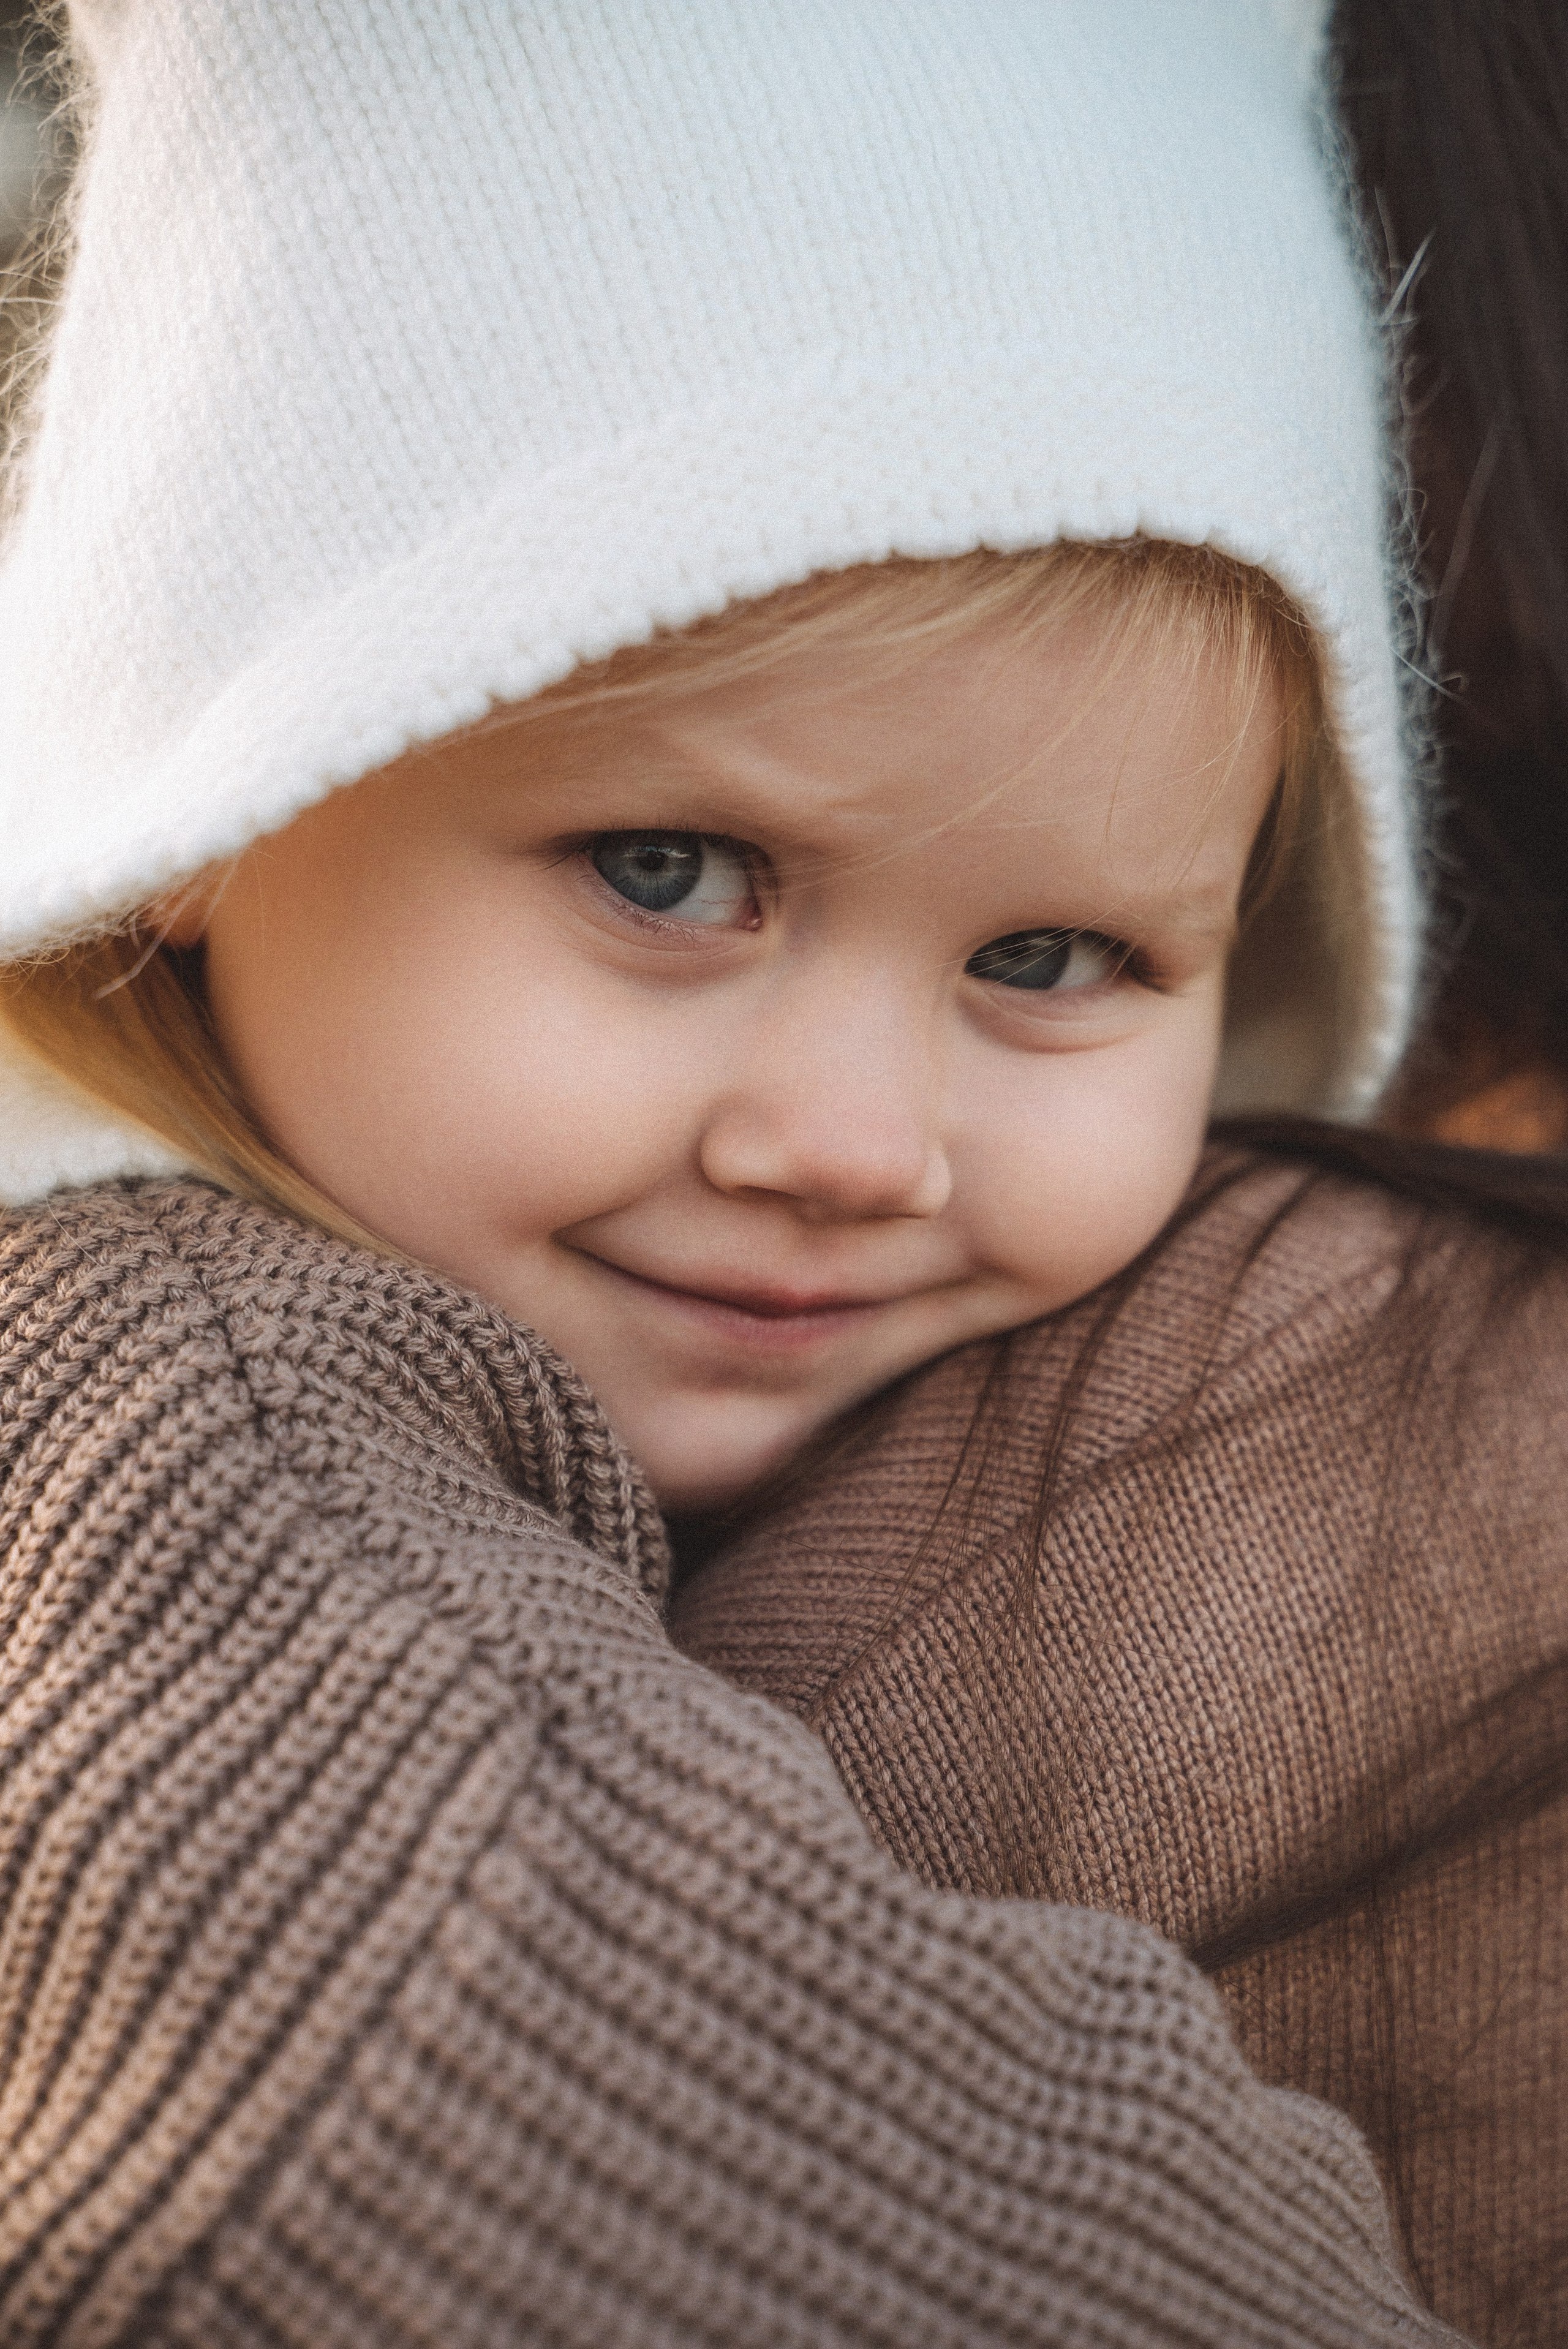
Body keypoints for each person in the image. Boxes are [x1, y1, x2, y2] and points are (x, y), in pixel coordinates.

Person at [0, 1, 1474, 2343]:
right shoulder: (143, 1366)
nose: (853, 1147)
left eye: (1057, 952)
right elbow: (376, 2115)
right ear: (225, 775)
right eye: (672, 872)